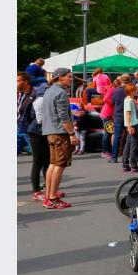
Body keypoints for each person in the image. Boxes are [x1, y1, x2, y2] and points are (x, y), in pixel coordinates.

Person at [42, 68, 79, 209]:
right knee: (59, 165)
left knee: (53, 164)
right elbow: (63, 116)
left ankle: (49, 196)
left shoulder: (49, 90)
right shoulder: (60, 92)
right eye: (69, 77)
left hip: (50, 132)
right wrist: (72, 134)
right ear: (60, 78)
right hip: (59, 133)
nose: (71, 79)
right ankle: (52, 198)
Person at [25, 82, 51, 201]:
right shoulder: (40, 100)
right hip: (36, 133)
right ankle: (36, 191)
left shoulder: (43, 98)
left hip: (42, 133)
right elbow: (40, 120)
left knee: (46, 162)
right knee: (37, 162)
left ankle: (48, 188)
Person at [109, 74, 131, 163]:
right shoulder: (130, 89)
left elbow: (112, 101)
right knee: (131, 135)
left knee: (117, 136)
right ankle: (135, 156)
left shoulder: (116, 90)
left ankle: (114, 157)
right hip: (129, 114)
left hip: (118, 114)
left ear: (121, 80)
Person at [122, 83, 138, 172]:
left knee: (129, 144)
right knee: (133, 145)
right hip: (133, 124)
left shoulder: (129, 99)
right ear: (130, 91)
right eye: (135, 90)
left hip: (132, 123)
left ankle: (125, 164)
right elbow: (128, 113)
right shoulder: (129, 100)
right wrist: (129, 126)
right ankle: (133, 165)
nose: (136, 91)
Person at [18, 72, 36, 155]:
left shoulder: (34, 93)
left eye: (17, 81)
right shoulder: (21, 93)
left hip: (28, 127)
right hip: (20, 125)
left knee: (38, 152)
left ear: (25, 82)